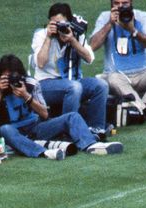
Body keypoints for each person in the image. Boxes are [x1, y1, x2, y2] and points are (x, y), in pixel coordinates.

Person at [0, 54, 124, 159]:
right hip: (9, 131)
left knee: (72, 117)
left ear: (21, 75)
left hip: (34, 127)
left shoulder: (31, 84)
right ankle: (42, 152)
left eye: (13, 77)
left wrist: (26, 96)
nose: (10, 82)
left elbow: (45, 115)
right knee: (6, 129)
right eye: (6, 78)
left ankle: (90, 145)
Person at [90, 0, 146, 121]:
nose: (120, 7)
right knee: (113, 78)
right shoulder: (104, 17)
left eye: (124, 3)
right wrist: (110, 24)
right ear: (111, 4)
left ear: (131, 3)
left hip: (142, 74)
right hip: (117, 76)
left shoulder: (142, 16)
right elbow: (93, 46)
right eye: (116, 3)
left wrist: (133, 30)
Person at [31, 3, 109, 137]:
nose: (57, 27)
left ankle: (96, 129)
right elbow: (40, 63)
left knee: (101, 85)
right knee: (74, 87)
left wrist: (73, 40)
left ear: (69, 22)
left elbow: (89, 58)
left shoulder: (76, 33)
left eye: (61, 23)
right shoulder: (41, 35)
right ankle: (68, 132)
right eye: (53, 23)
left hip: (72, 81)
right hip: (45, 85)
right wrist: (49, 38)